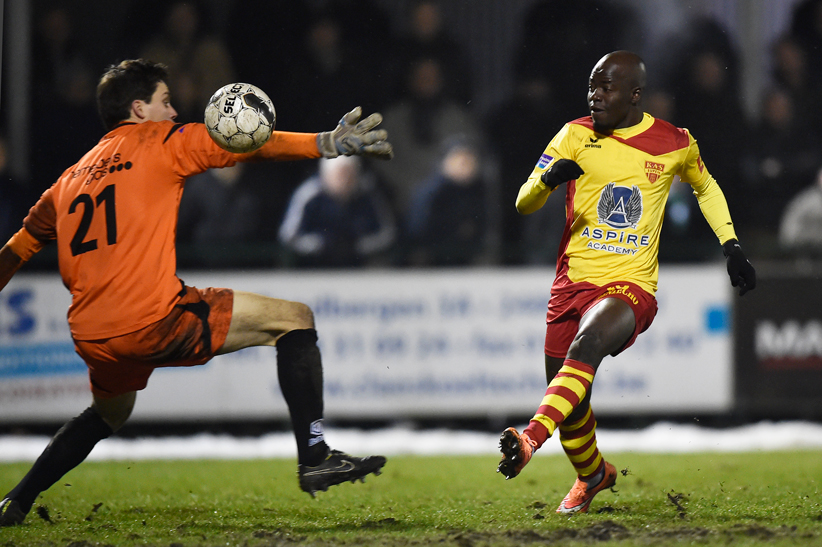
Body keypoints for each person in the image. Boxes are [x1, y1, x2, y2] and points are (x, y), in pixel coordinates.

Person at [0, 59, 394, 526]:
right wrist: (324, 143)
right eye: (166, 102)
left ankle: (15, 502)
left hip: (92, 336)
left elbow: (19, 246)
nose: (173, 111)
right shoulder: (160, 140)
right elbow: (246, 146)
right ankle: (315, 456)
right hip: (152, 320)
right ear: (138, 108)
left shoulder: (69, 179)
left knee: (108, 414)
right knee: (295, 318)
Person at [496, 51, 756, 515]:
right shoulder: (573, 134)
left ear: (634, 95)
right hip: (571, 284)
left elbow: (706, 187)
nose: (595, 95)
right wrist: (548, 182)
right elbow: (522, 203)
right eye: (591, 86)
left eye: (606, 87)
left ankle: (530, 437)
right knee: (573, 400)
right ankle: (594, 475)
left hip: (630, 284)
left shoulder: (674, 141)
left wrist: (731, 244)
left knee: (586, 345)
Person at [278, 155, 397, 268]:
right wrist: (319, 245)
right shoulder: (309, 195)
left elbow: (386, 232)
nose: (345, 181)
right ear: (326, 175)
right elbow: (288, 235)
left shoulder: (368, 196)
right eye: (340, 175)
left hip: (359, 266)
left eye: (349, 175)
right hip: (313, 266)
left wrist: (359, 247)